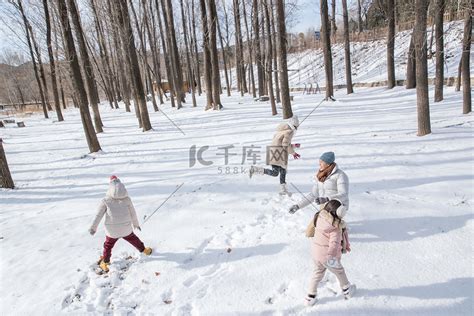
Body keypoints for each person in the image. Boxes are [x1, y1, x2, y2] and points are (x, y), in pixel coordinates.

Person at [292, 199, 355, 306]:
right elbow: (334, 243)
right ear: (339, 212)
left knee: (317, 273)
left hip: (316, 254)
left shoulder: (319, 217)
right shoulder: (335, 227)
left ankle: (310, 297)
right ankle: (347, 290)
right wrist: (331, 256)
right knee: (339, 271)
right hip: (328, 256)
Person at [89, 175, 152, 272]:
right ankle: (144, 250)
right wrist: (136, 224)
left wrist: (93, 228)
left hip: (112, 231)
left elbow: (98, 215)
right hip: (126, 229)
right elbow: (133, 213)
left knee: (108, 245)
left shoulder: (106, 200)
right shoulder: (127, 199)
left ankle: (105, 262)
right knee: (134, 239)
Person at [249, 115, 301, 196]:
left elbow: (282, 143)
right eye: (297, 127)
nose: (297, 129)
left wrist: (293, 145)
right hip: (279, 155)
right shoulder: (289, 132)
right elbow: (285, 145)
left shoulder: (281, 131)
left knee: (282, 171)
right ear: (295, 126)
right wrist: (294, 153)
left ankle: (283, 189)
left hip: (274, 152)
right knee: (276, 173)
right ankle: (255, 169)